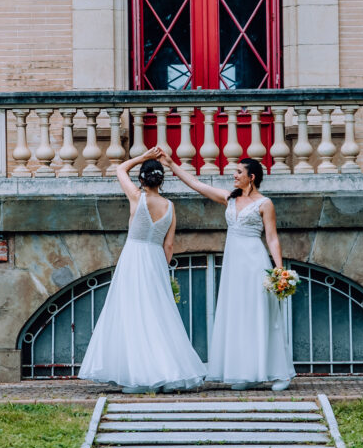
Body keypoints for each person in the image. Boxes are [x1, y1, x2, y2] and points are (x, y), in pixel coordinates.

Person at [161, 153, 295, 392]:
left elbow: (272, 238)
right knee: (239, 316)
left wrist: (279, 270)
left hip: (255, 263)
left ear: (251, 177)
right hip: (234, 265)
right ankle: (247, 373)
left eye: (239, 172)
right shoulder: (229, 199)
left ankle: (280, 373)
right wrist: (172, 165)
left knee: (262, 315)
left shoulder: (265, 204)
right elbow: (196, 184)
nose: (234, 175)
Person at [78, 146, 206, 394]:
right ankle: (165, 373)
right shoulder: (170, 206)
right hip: (156, 260)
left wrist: (143, 157)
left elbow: (120, 169)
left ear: (142, 179)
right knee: (158, 315)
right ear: (161, 180)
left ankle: (140, 377)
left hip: (134, 257)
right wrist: (162, 270)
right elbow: (169, 245)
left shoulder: (137, 197)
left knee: (133, 313)